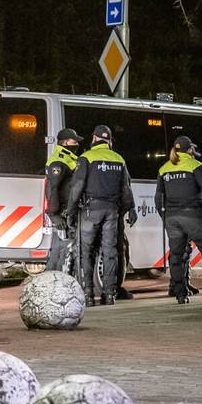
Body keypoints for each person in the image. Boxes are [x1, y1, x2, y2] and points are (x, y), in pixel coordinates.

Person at [65, 125, 136, 306]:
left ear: (94, 139)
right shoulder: (118, 159)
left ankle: (88, 294)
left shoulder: (86, 158)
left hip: (90, 211)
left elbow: (77, 187)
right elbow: (126, 190)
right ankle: (109, 294)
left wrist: (71, 212)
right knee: (110, 252)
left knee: (86, 251)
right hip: (112, 211)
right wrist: (128, 210)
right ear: (109, 141)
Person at [155, 136, 202, 304]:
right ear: (190, 150)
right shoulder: (195, 166)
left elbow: (158, 198)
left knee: (176, 255)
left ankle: (180, 294)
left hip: (172, 218)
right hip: (193, 216)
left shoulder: (164, 169)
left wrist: (165, 217)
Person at [44, 128, 83, 273]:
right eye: (74, 141)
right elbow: (52, 188)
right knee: (62, 249)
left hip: (68, 210)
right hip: (63, 212)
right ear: (66, 142)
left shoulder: (69, 158)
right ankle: (57, 279)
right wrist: (54, 214)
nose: (77, 144)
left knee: (67, 249)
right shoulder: (58, 160)